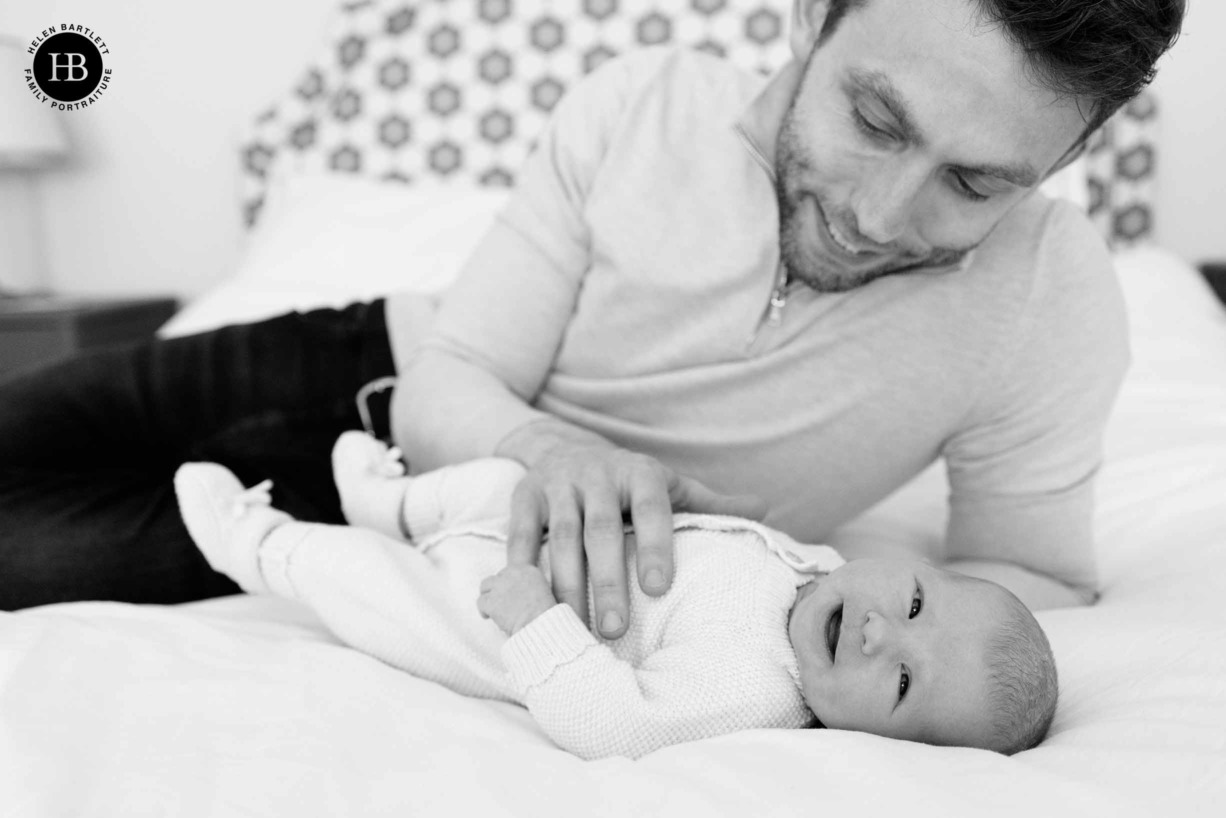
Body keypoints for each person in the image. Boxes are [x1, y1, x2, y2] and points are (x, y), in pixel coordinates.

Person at [0, 0, 1186, 614]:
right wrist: (554, 447)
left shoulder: (1049, 295)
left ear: (1065, 153)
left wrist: (799, 617)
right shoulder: (639, 107)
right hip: (358, 369)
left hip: (408, 539)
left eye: (975, 182)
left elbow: (1026, 581)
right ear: (804, 21)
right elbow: (450, 376)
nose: (880, 214)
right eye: (873, 121)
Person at [172, 431, 1058, 760]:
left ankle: (259, 546)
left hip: (503, 616)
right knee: (498, 480)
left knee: (385, 596)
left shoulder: (755, 689)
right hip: (554, 537)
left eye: (901, 683)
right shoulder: (817, 568)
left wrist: (534, 622)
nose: (876, 633)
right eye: (912, 605)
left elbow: (619, 724)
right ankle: (393, 501)